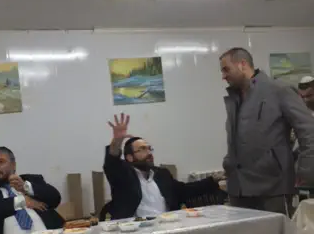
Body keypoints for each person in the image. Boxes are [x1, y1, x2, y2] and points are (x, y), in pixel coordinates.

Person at [220, 47, 314, 214]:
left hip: (273, 188)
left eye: (226, 69)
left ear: (243, 64)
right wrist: (228, 164)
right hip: (239, 190)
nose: (223, 76)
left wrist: (306, 172)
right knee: (243, 232)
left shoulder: (278, 90)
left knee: (276, 231)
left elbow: (308, 131)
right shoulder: (234, 98)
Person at [103, 114, 222, 219]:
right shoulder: (123, 175)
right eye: (142, 149)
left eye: (150, 149)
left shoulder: (162, 174)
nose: (149, 153)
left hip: (166, 225)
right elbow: (112, 162)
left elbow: (184, 190)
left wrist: (212, 180)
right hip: (135, 229)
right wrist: (117, 141)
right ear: (129, 157)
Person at [0, 147, 64, 234]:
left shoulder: (32, 180)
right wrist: (22, 201)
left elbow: (55, 198)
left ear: (13, 165)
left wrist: (25, 187)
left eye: (0, 162)